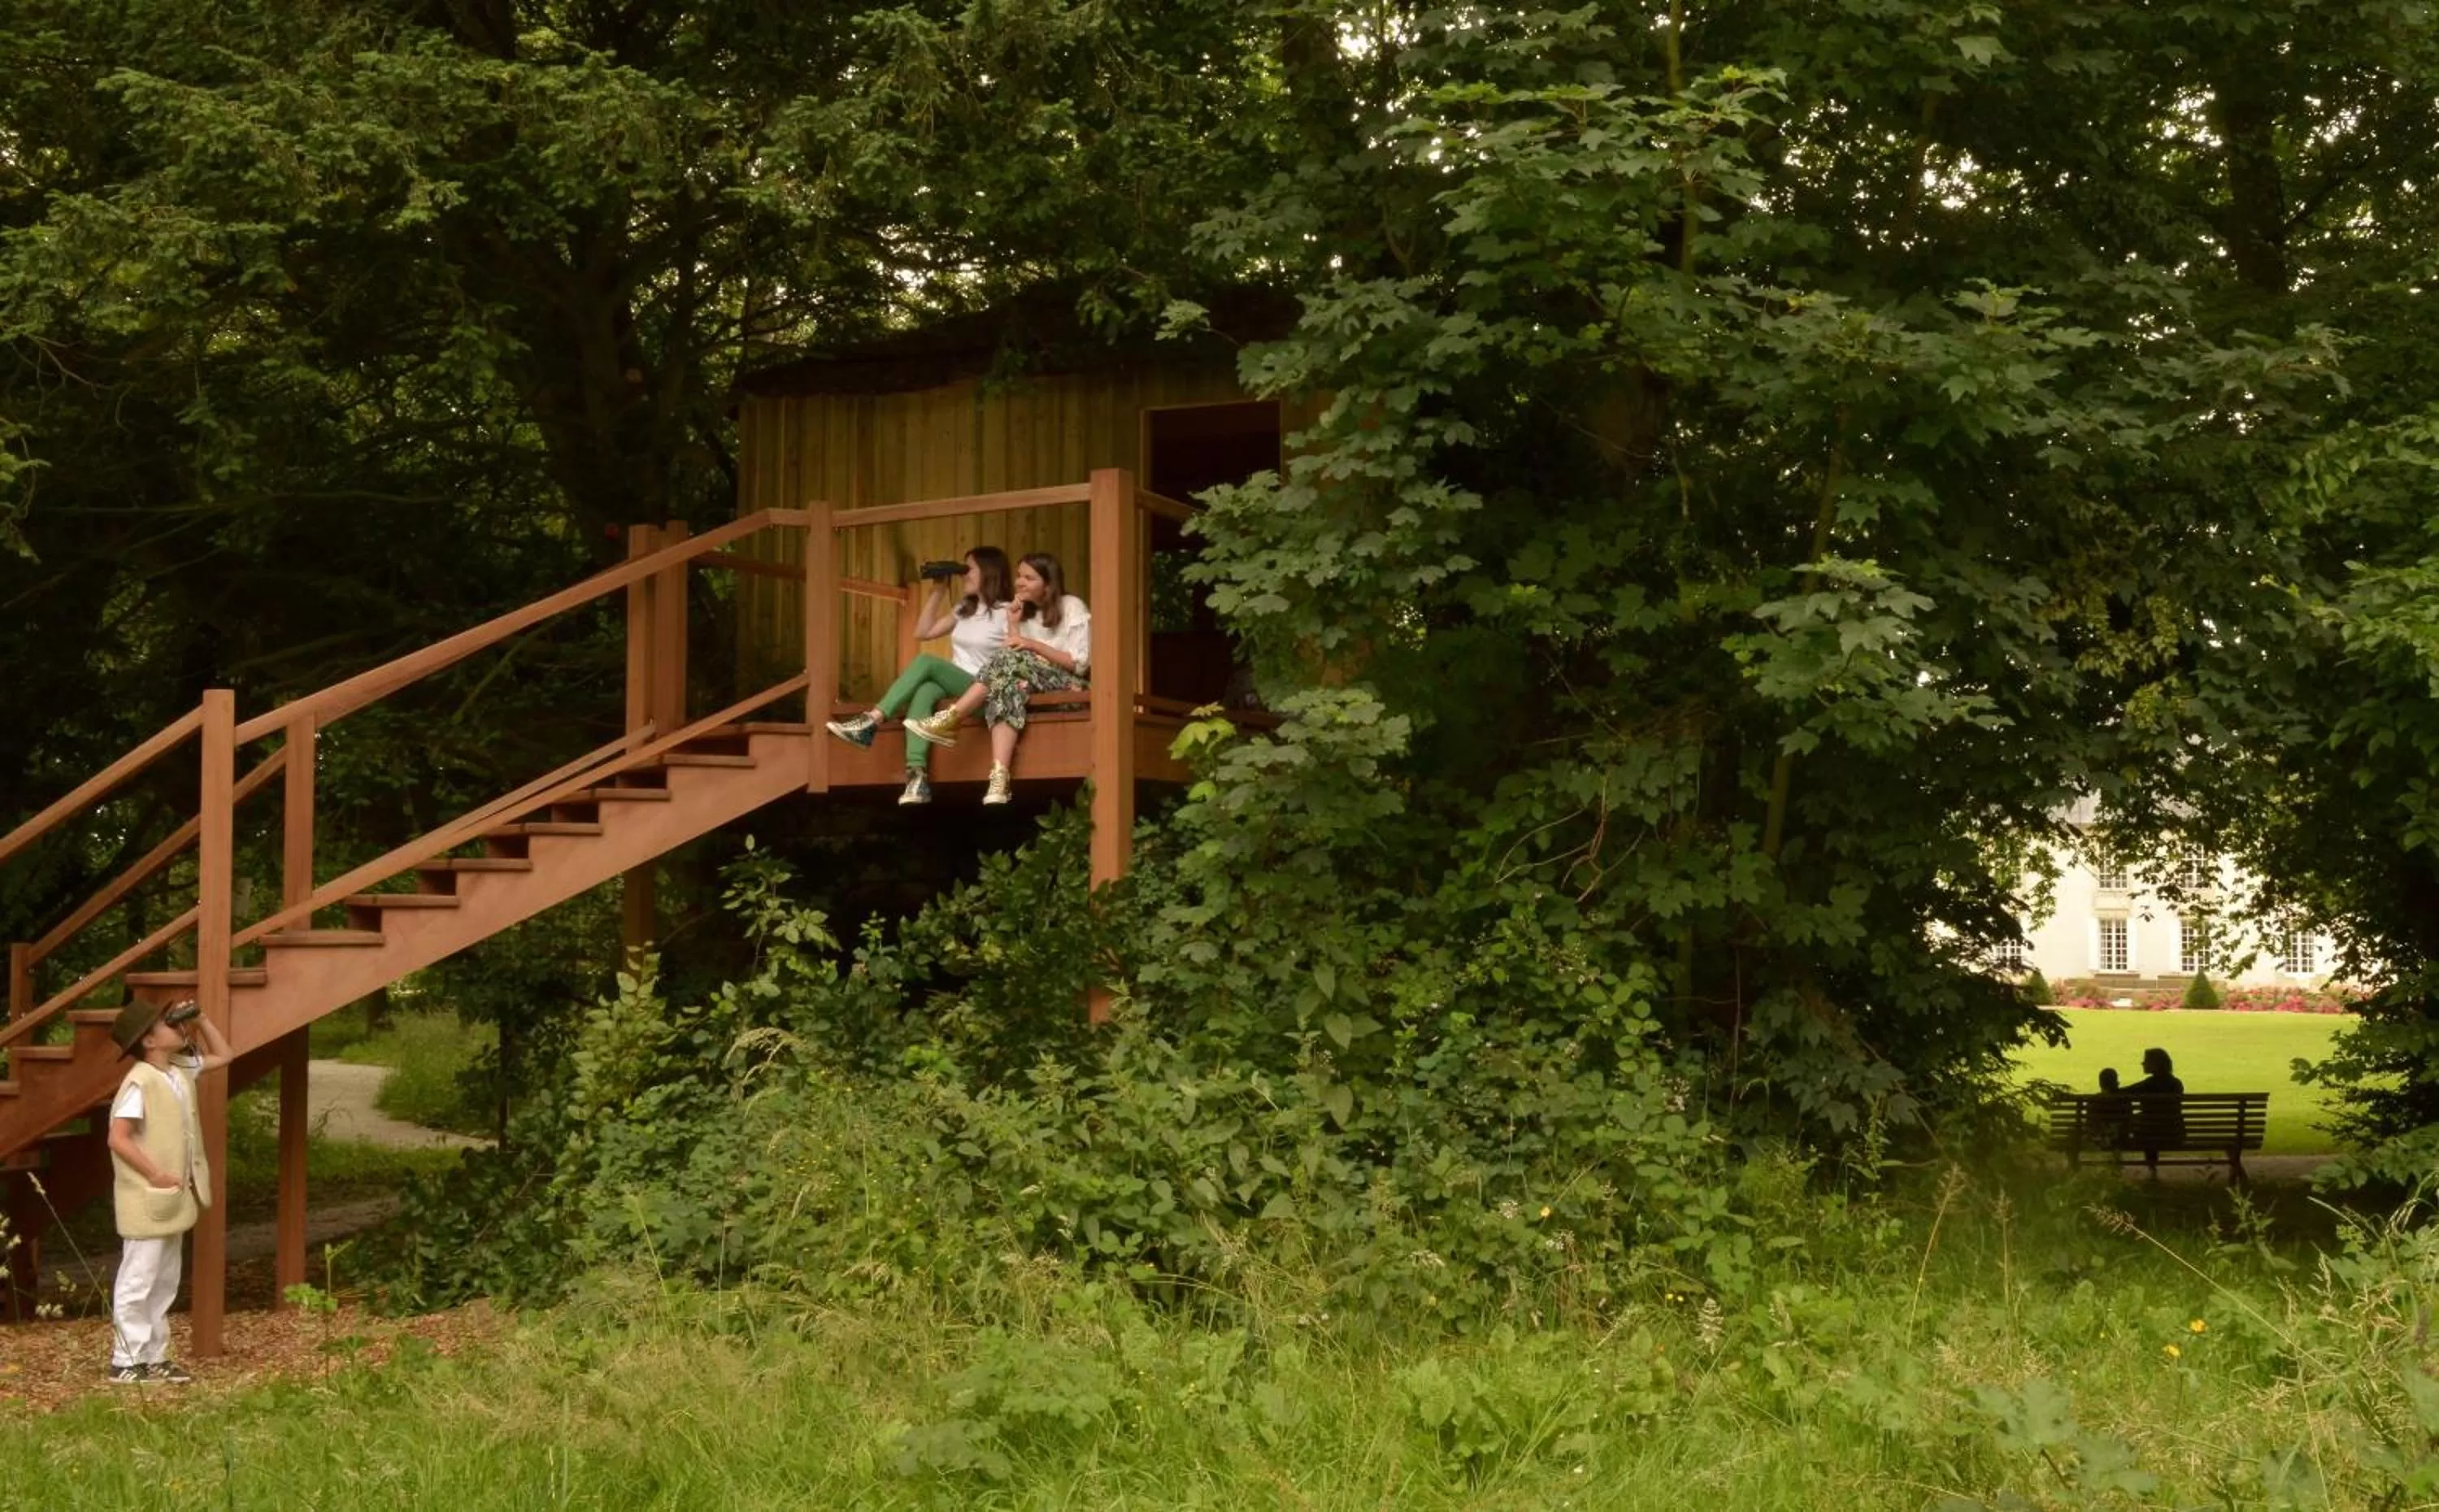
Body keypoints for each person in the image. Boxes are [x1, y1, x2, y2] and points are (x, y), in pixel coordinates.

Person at [104, 996, 231, 1384]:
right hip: (148, 1196)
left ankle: (155, 1356)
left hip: (172, 1199)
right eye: (165, 1024)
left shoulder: (178, 1071)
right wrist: (155, 1174)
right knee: (138, 1278)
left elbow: (224, 1055)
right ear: (148, 1041)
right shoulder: (139, 1082)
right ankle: (125, 1360)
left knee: (164, 1279)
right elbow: (118, 1138)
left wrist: (201, 1018)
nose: (175, 1027)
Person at [823, 547, 1011, 806]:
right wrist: (938, 591)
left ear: (990, 572)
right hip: (955, 688)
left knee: (926, 662)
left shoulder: (1008, 612)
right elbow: (922, 632)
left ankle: (871, 721)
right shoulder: (964, 610)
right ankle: (917, 777)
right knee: (925, 691)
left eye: (970, 569)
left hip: (983, 693)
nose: (964, 575)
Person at [905, 551, 1090, 806]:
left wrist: (1031, 644)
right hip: (1031, 687)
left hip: (1069, 689)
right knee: (1007, 684)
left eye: (1029, 578)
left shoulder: (1071, 605)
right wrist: (1015, 625)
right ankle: (999, 777)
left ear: (1048, 584)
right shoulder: (1020, 612)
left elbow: (1078, 664)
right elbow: (1013, 655)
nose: (1020, 582)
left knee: (1007, 660)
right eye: (1018, 576)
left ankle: (953, 717)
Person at [2124, 1046, 2186, 1178]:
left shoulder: (2147, 1085)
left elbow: (2122, 1093)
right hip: (2174, 1134)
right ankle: (2152, 1169)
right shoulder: (2176, 1084)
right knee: (2148, 1124)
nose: (2143, 1063)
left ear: (2155, 1065)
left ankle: (2151, 1168)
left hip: (2150, 1135)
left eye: (2146, 1061)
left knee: (2143, 1124)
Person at [2090, 1067, 2131, 1153]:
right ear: (2116, 1082)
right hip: (2120, 1137)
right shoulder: (2125, 1100)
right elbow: (2128, 1120)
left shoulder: (2094, 1100)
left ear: (2100, 1083)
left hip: (2099, 1135)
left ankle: (2074, 1164)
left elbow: (2090, 1122)